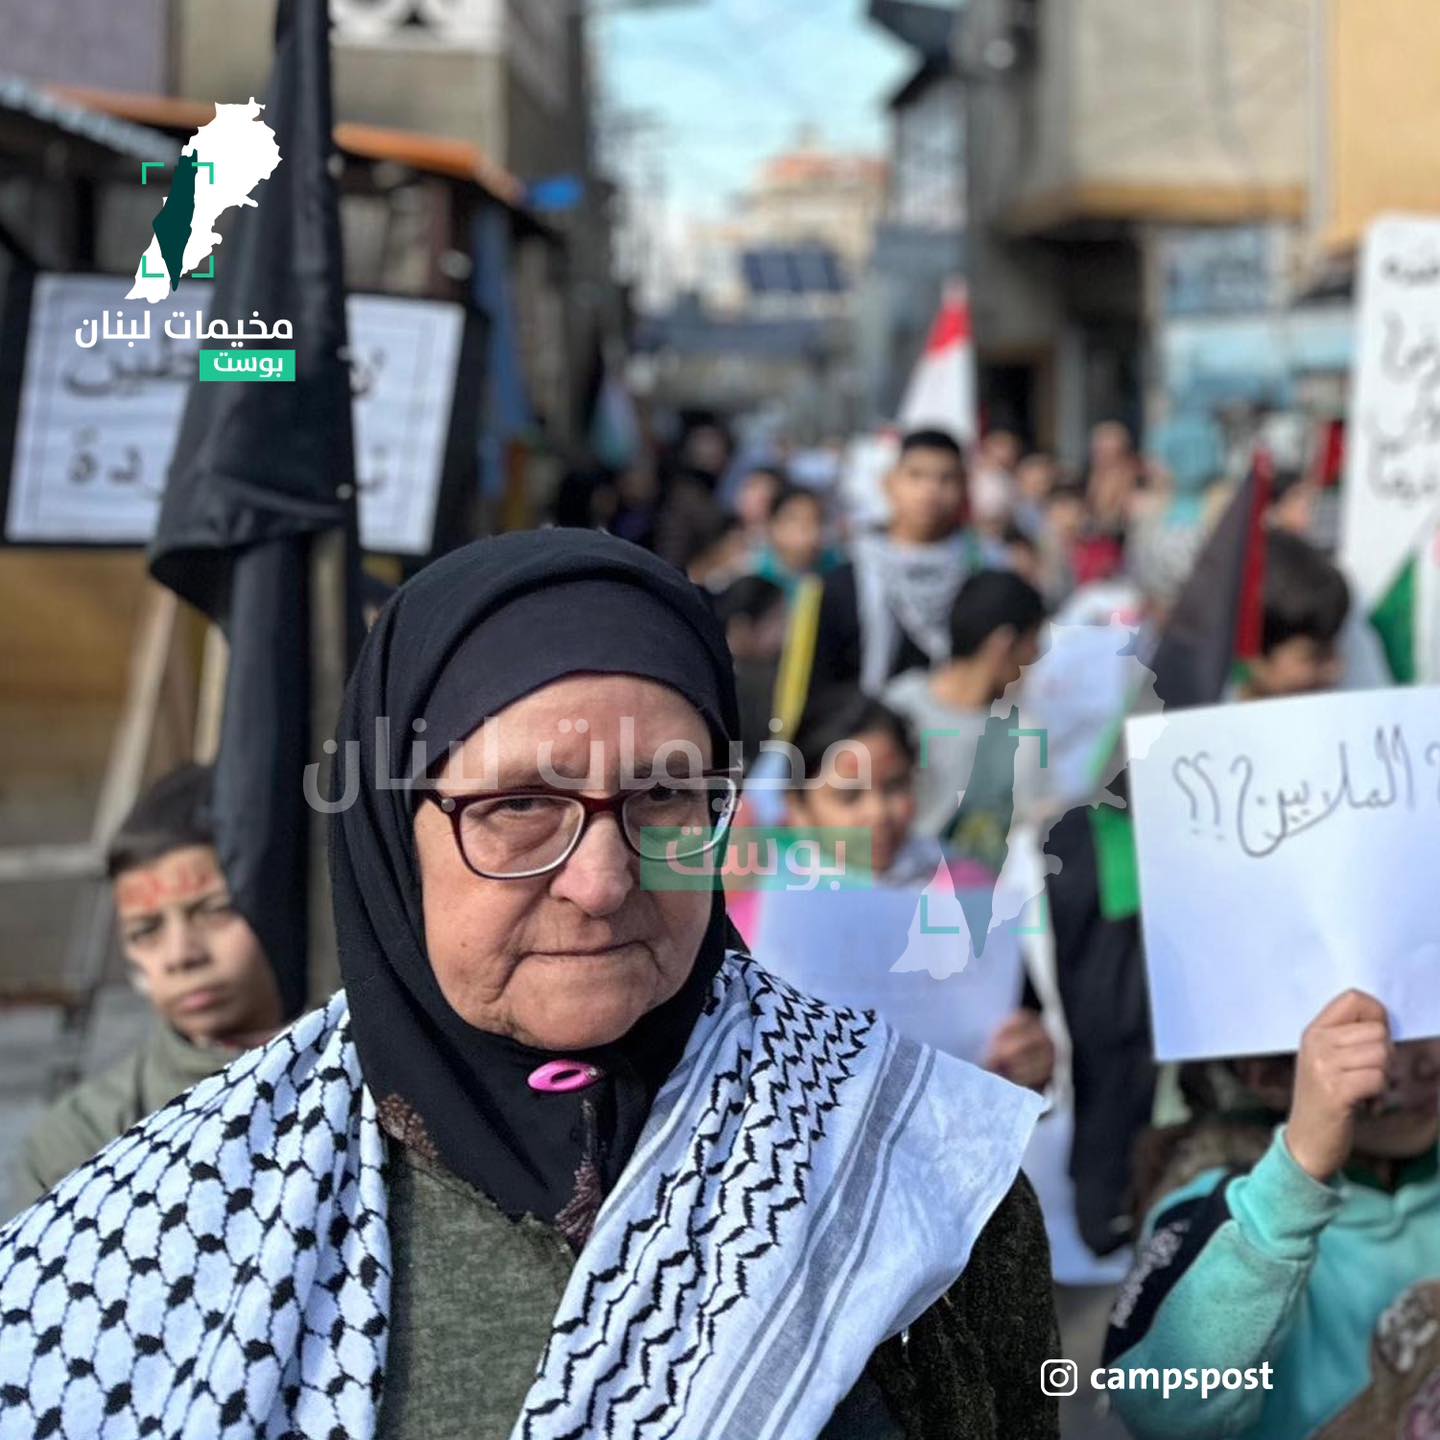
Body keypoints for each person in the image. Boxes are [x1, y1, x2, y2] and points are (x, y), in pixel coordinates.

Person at [0, 530, 1060, 1440]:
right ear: (391, 839)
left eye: (664, 796)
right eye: (517, 806)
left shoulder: (917, 1171)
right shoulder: (154, 1246)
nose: (602, 883)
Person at [1045, 528, 1354, 1259]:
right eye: (1312, 653)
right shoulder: (1176, 746)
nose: (1332, 670)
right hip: (1200, 1064)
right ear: (1253, 652)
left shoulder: (1331, 740)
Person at [1104, 992, 1440, 1439]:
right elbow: (1160, 1404)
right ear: (1266, 1077)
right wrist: (1299, 1173)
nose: (1431, 1060)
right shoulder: (1213, 1214)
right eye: (1382, 1035)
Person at [732, 689, 1054, 1094]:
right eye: (849, 796)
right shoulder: (755, 907)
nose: (879, 812)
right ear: (796, 806)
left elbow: (1022, 1028)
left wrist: (1030, 1056)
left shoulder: (965, 891)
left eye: (895, 786)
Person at [12, 764, 285, 1210]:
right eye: (146, 930)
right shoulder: (84, 1138)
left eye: (215, 910)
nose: (180, 955)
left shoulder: (375, 1074)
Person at [798, 428, 999, 701]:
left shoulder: (986, 574)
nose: (930, 491)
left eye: (946, 478)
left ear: (965, 486)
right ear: (889, 483)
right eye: (916, 475)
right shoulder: (842, 582)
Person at [885, 570, 1048, 842]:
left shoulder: (897, 701)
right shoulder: (897, 712)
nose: (1035, 657)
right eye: (1032, 644)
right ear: (1003, 645)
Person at [755, 483, 842, 598]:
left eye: (816, 520)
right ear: (773, 525)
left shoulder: (837, 569)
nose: (810, 530)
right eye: (798, 521)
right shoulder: (755, 575)